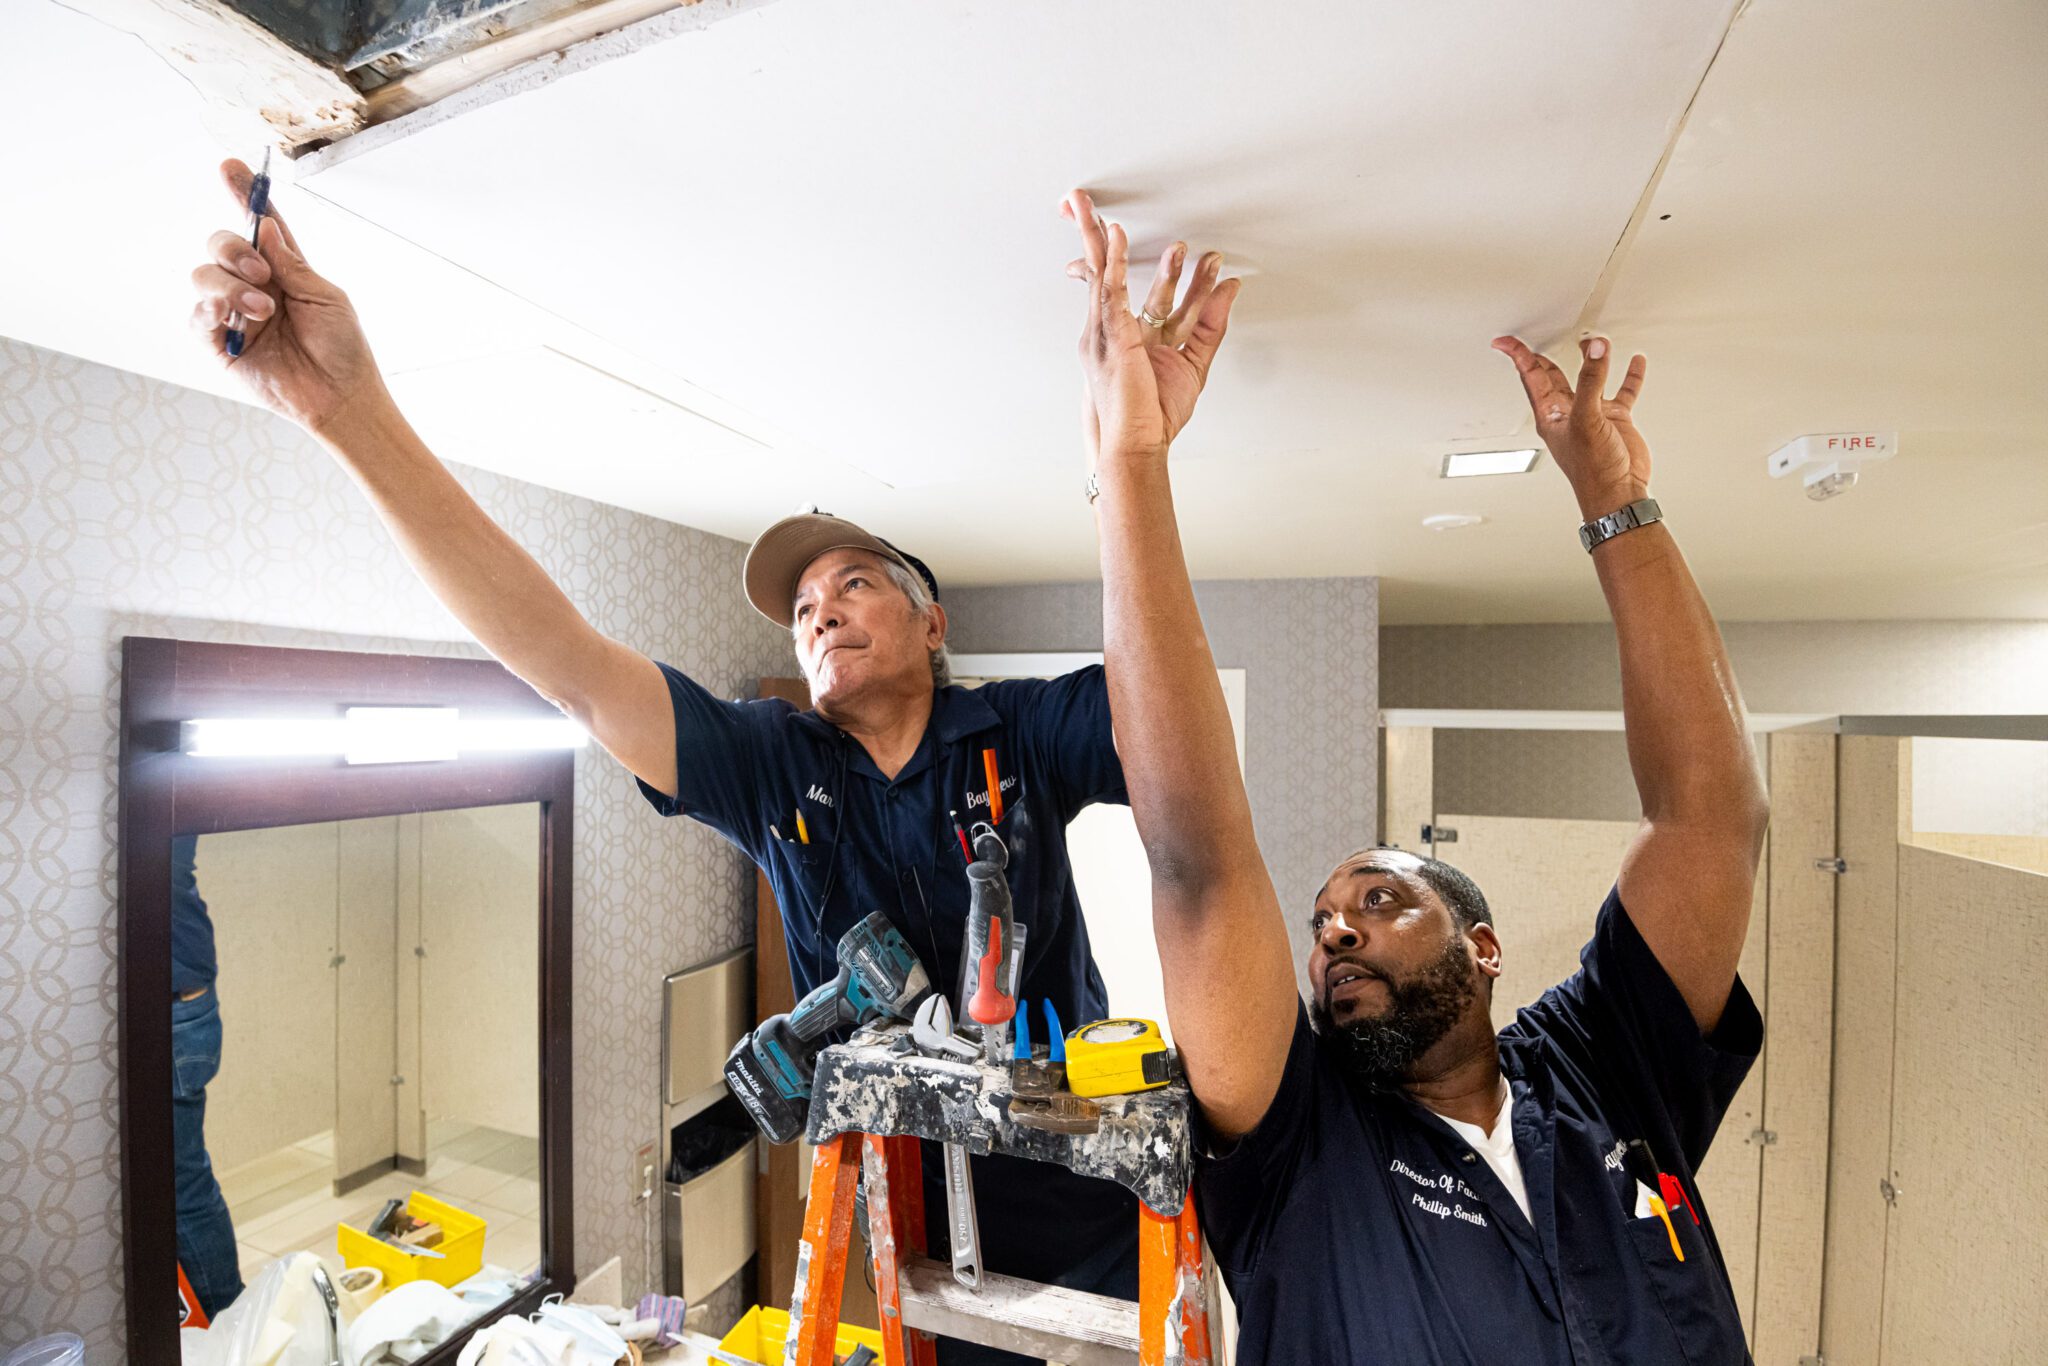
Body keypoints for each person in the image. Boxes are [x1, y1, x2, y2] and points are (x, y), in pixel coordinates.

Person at [185, 161, 1224, 1364]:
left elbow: (1175, 734)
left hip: (1075, 1184)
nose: (817, 611)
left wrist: (1129, 459)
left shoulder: (1020, 733)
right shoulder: (772, 763)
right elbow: (569, 666)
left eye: (854, 584)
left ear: (933, 624)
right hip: (906, 1216)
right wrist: (346, 411)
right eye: (800, 606)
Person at [1064, 192, 1770, 1364]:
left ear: (1480, 947)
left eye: (1380, 901)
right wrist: (1128, 460)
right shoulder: (1299, 1136)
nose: (1333, 932)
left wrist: (1613, 503)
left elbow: (1710, 817)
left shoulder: (1606, 1068)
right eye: (1324, 921)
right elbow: (1194, 857)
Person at [170, 834, 244, 1320]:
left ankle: (230, 1324)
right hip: (180, 996)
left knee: (183, 1188)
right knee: (182, 1185)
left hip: (176, 1005)